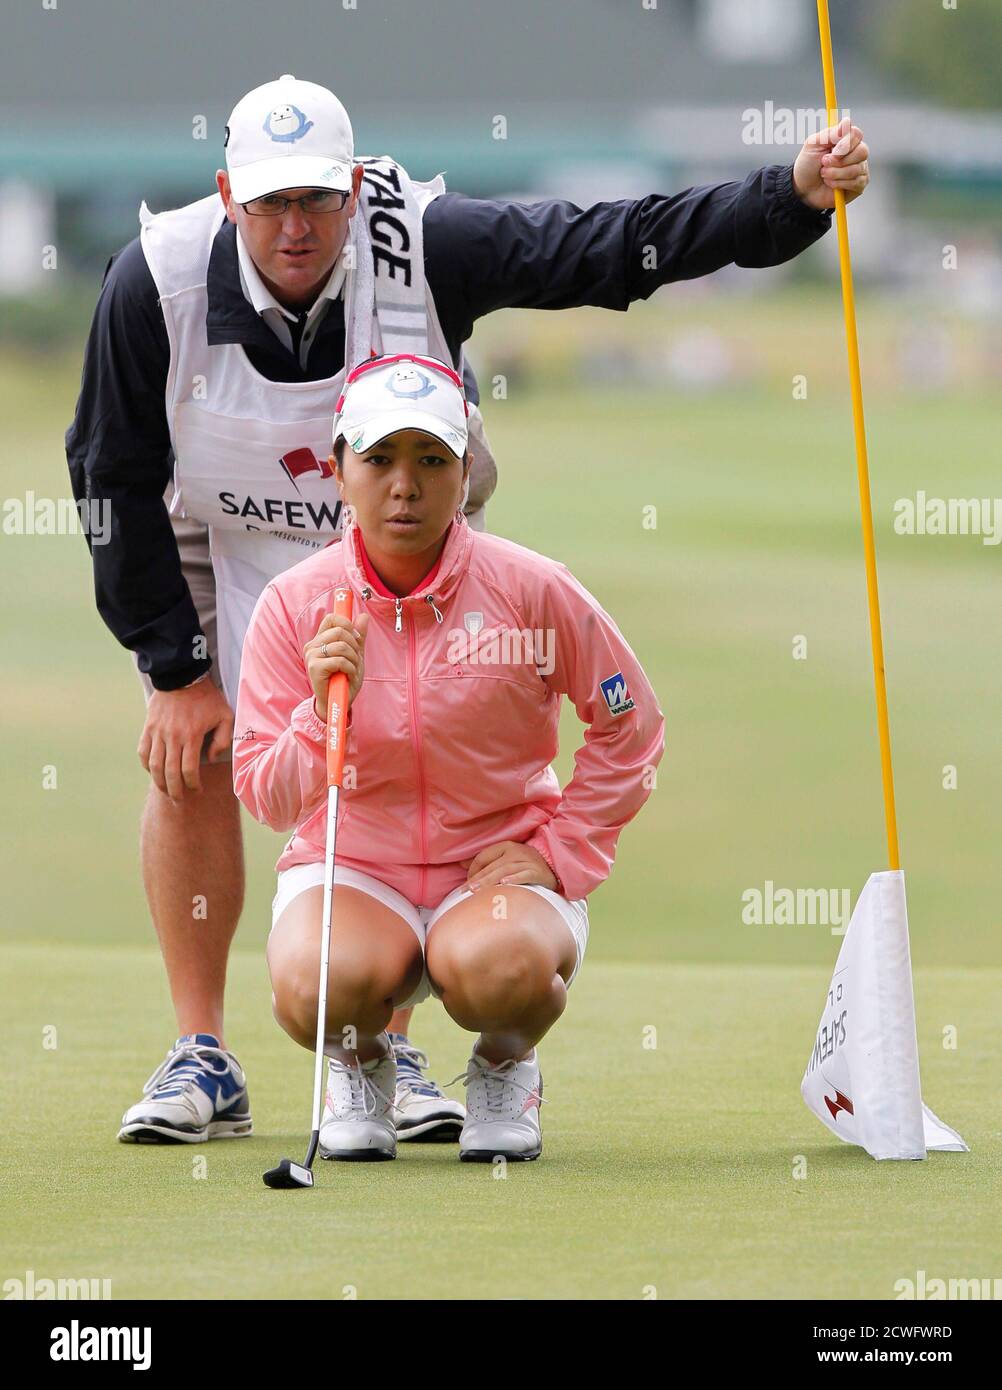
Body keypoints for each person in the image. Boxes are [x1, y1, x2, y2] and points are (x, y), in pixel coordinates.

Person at [64, 72, 870, 1144]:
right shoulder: (149, 281)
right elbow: (108, 474)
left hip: (405, 514)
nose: (294, 226)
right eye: (268, 203)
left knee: (415, 728)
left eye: (316, 198)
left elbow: (604, 245)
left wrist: (788, 198)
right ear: (227, 196)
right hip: (211, 517)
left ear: (353, 189)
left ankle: (385, 1040)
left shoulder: (425, 242)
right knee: (193, 750)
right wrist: (173, 669)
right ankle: (201, 1050)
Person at [232, 353, 665, 1160]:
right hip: (357, 866)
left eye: (432, 459)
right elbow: (263, 792)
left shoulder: (532, 589)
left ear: (466, 472)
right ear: (338, 470)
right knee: (315, 983)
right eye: (379, 459)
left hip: (493, 870)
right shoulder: (295, 604)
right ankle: (362, 1065)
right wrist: (321, 706)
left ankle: (505, 1064)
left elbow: (629, 724)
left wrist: (563, 849)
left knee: (501, 969)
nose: (406, 485)